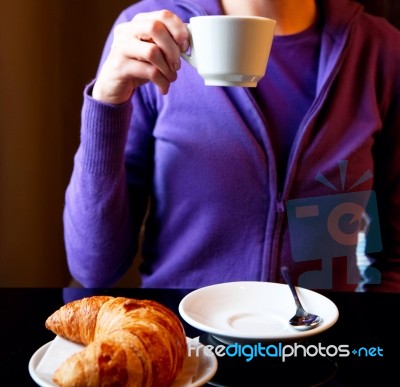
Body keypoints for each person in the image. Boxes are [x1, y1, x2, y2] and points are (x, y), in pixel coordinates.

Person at [63, 0, 400, 292]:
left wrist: (367, 340)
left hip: (319, 350)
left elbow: (393, 257)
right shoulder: (147, 37)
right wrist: (107, 101)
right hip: (185, 350)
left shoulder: (381, 50)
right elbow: (94, 268)